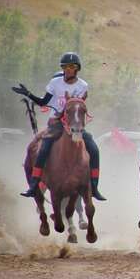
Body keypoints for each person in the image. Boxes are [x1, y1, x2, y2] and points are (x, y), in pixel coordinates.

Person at [12, 52, 105, 201]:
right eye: (65, 66)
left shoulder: (82, 85)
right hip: (55, 124)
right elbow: (43, 102)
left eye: (72, 66)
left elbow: (77, 105)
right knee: (43, 149)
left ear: (77, 68)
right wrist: (28, 93)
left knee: (94, 149)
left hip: (74, 124)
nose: (68, 69)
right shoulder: (55, 83)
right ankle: (34, 185)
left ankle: (94, 187)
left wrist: (71, 118)